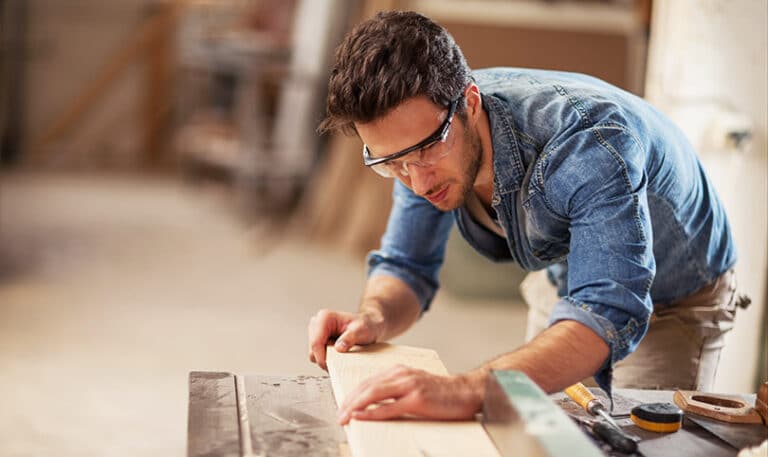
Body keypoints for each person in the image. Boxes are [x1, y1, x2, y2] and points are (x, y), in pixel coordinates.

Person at [307, 11, 747, 425]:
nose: (417, 184)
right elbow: (407, 265)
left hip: (673, 295)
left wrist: (461, 390)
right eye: (392, 164)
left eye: (425, 151)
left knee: (635, 442)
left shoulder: (587, 148)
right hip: (564, 272)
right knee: (539, 432)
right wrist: (375, 315)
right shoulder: (422, 137)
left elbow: (606, 313)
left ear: (470, 102)